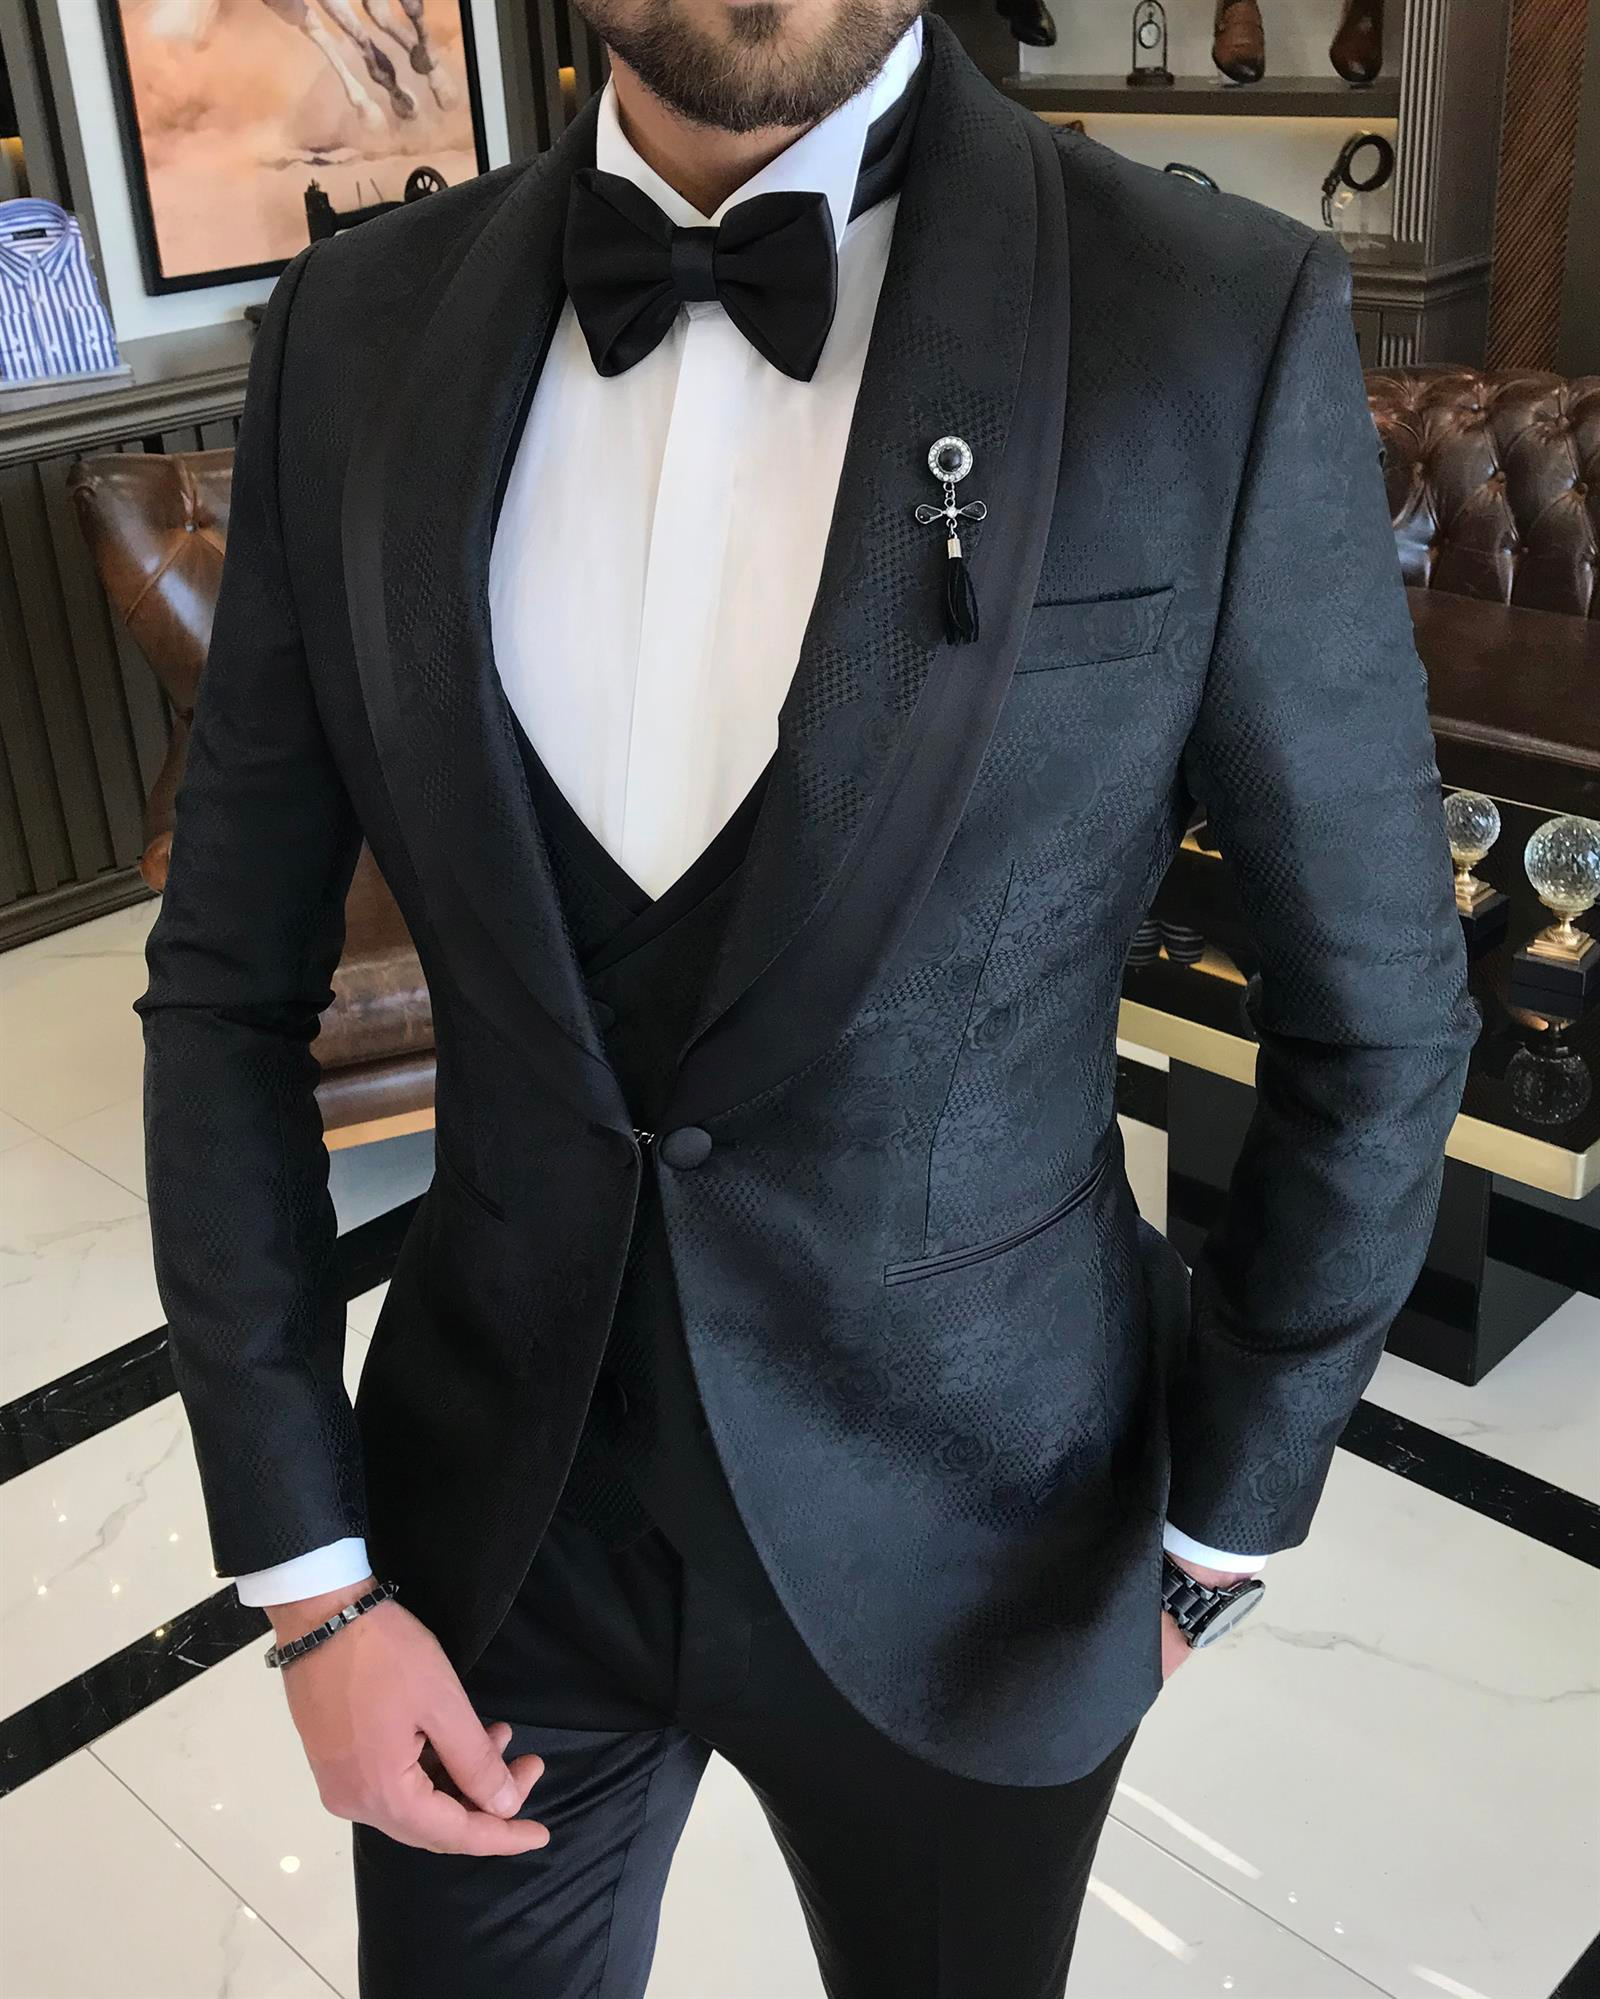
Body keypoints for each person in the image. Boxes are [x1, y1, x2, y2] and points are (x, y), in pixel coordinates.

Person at [134, 1, 1478, 1991]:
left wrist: (1226, 1521)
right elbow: (224, 989)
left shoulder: (1210, 315)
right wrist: (308, 1577)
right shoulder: (353, 327)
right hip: (484, 1539)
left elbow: (1375, 1007)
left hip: (990, 1551)